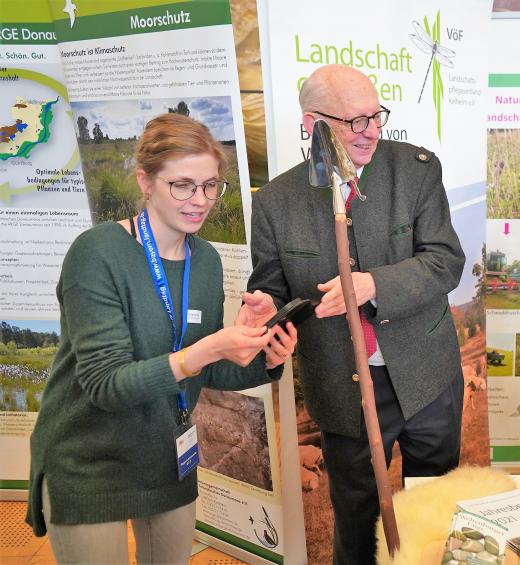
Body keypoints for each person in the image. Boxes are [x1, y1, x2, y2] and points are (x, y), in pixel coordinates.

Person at [25, 113, 297, 564]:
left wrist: (264, 352)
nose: (200, 200)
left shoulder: (205, 260)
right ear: (145, 181)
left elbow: (205, 369)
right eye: (183, 185)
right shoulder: (96, 255)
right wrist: (206, 348)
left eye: (211, 185)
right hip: (90, 462)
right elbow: (106, 386)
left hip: (167, 458)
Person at [248, 64, 465, 565]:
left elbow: (445, 261)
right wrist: (264, 309)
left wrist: (371, 285)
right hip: (343, 386)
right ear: (311, 123)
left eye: (376, 117)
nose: (371, 132)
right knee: (357, 518)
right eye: (354, 122)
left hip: (427, 375)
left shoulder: (416, 169)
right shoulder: (277, 202)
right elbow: (271, 292)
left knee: (433, 510)